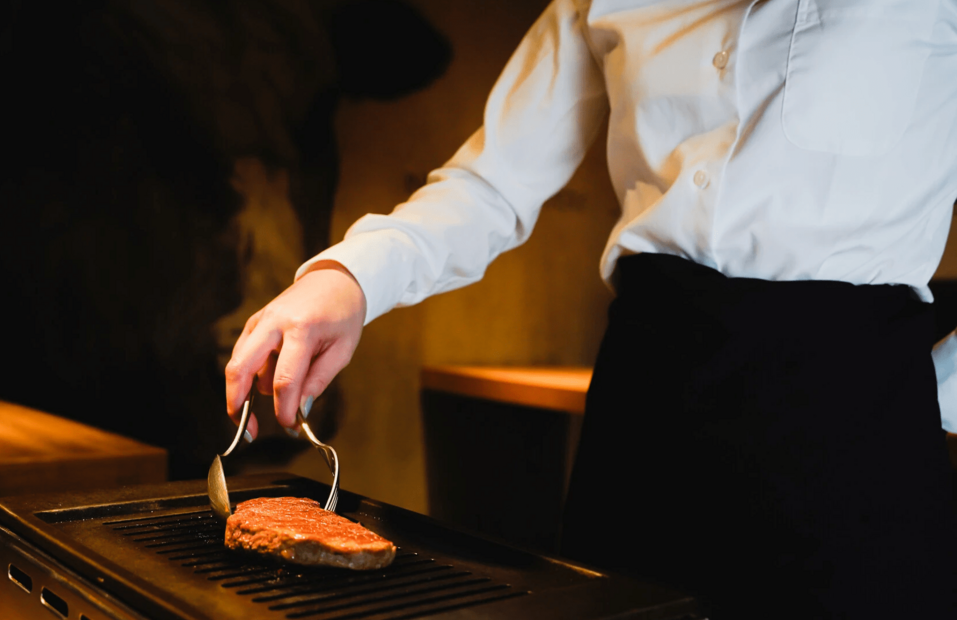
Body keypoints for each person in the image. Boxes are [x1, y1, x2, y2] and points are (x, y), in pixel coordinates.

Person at [225, 0, 957, 617]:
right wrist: (347, 281)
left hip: (860, 439)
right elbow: (491, 183)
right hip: (645, 414)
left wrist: (930, 401)